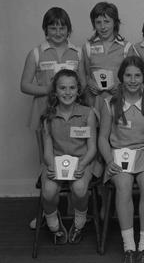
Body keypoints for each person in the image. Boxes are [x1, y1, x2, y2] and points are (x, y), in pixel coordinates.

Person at [20, 7, 83, 229]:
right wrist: (50, 89)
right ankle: (48, 212)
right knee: (47, 164)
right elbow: (24, 85)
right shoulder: (36, 53)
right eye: (53, 27)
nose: (57, 31)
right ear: (45, 30)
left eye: (62, 27)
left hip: (71, 118)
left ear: (68, 29)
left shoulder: (78, 52)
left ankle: (71, 209)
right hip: (44, 114)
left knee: (73, 159)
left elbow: (82, 84)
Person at [98, 56, 144, 263]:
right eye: (128, 75)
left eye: (137, 75)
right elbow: (102, 138)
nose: (133, 80)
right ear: (121, 77)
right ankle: (129, 246)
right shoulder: (110, 103)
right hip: (119, 155)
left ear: (143, 77)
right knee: (124, 184)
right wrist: (109, 161)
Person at [40, 69, 96, 245]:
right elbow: (48, 151)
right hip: (56, 162)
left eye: (72, 88)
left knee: (79, 189)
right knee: (48, 192)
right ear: (55, 91)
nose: (67, 92)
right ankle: (54, 226)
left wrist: (82, 165)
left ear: (78, 90)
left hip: (82, 161)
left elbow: (92, 148)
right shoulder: (48, 116)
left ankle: (79, 224)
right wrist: (51, 166)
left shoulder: (88, 113)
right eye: (62, 88)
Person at [82, 1, 131, 113]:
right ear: (94, 24)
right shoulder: (87, 47)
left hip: (119, 101)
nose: (103, 27)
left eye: (107, 21)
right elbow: (84, 74)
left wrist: (121, 86)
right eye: (98, 22)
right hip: (94, 101)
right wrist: (89, 82)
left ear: (115, 22)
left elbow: (132, 75)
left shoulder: (127, 47)